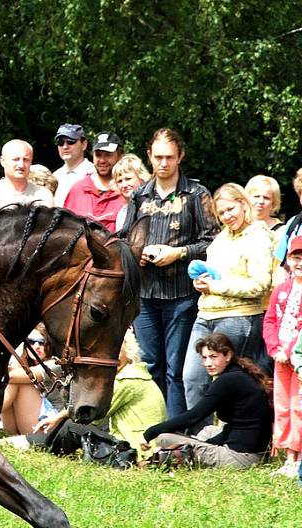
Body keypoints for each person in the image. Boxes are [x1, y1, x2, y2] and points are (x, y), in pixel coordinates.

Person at [121, 128, 219, 417]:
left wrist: (178, 253)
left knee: (177, 369)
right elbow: (126, 238)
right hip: (146, 293)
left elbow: (212, 241)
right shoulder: (139, 195)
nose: (163, 163)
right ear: (149, 156)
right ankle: (151, 429)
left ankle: (177, 435)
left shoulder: (196, 194)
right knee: (150, 365)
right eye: (158, 157)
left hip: (182, 294)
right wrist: (137, 254)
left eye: (170, 157)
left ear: (180, 157)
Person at [182, 183, 273, 409]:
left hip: (239, 317)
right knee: (192, 378)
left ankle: (232, 438)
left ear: (243, 204)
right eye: (221, 213)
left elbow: (260, 285)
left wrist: (215, 287)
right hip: (205, 314)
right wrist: (201, 282)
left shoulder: (258, 236)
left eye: (231, 209)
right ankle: (198, 438)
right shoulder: (220, 239)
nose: (227, 216)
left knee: (229, 384)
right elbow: (213, 276)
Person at [142, 333, 272, 469]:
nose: (208, 363)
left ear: (228, 355)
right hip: (255, 452)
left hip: (240, 458)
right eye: (204, 358)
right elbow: (237, 426)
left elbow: (194, 416)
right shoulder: (239, 373)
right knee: (209, 429)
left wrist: (150, 433)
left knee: (164, 438)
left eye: (214, 357)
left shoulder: (227, 380)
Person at [35, 330, 166, 461]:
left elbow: (93, 415)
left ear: (129, 353)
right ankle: (35, 443)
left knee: (72, 427)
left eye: (117, 352)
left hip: (134, 452)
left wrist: (57, 417)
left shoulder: (128, 379)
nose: (111, 358)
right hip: (140, 448)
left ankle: (33, 444)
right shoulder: (136, 374)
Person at [263, 236, 302, 477]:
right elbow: (270, 320)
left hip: (298, 358)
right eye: (296, 258)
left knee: (299, 406)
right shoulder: (282, 289)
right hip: (280, 358)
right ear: (288, 259)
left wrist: (288, 351)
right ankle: (288, 455)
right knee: (283, 405)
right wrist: (275, 348)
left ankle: (298, 456)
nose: (299, 263)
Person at [0, 324, 66, 450]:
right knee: (13, 381)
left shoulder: (55, 364)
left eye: (41, 342)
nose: (36, 346)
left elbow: (11, 375)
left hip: (49, 425)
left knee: (17, 382)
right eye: (31, 342)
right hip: (20, 425)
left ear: (50, 344)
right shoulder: (26, 362)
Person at [64, 132, 126, 233]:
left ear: (120, 156)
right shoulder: (78, 189)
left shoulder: (126, 190)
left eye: (108, 155)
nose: (102, 160)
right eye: (98, 154)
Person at [0, 139, 51, 218]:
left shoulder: (43, 195)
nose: (21, 165)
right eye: (16, 159)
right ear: (2, 161)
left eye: (26, 160)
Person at [52, 123, 93, 207]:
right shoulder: (55, 176)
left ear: (84, 144)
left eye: (71, 142)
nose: (65, 147)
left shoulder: (94, 173)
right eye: (60, 142)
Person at [112, 153, 150, 231]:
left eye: (128, 179)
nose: (124, 185)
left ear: (141, 177)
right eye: (119, 181)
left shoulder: (153, 205)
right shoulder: (122, 214)